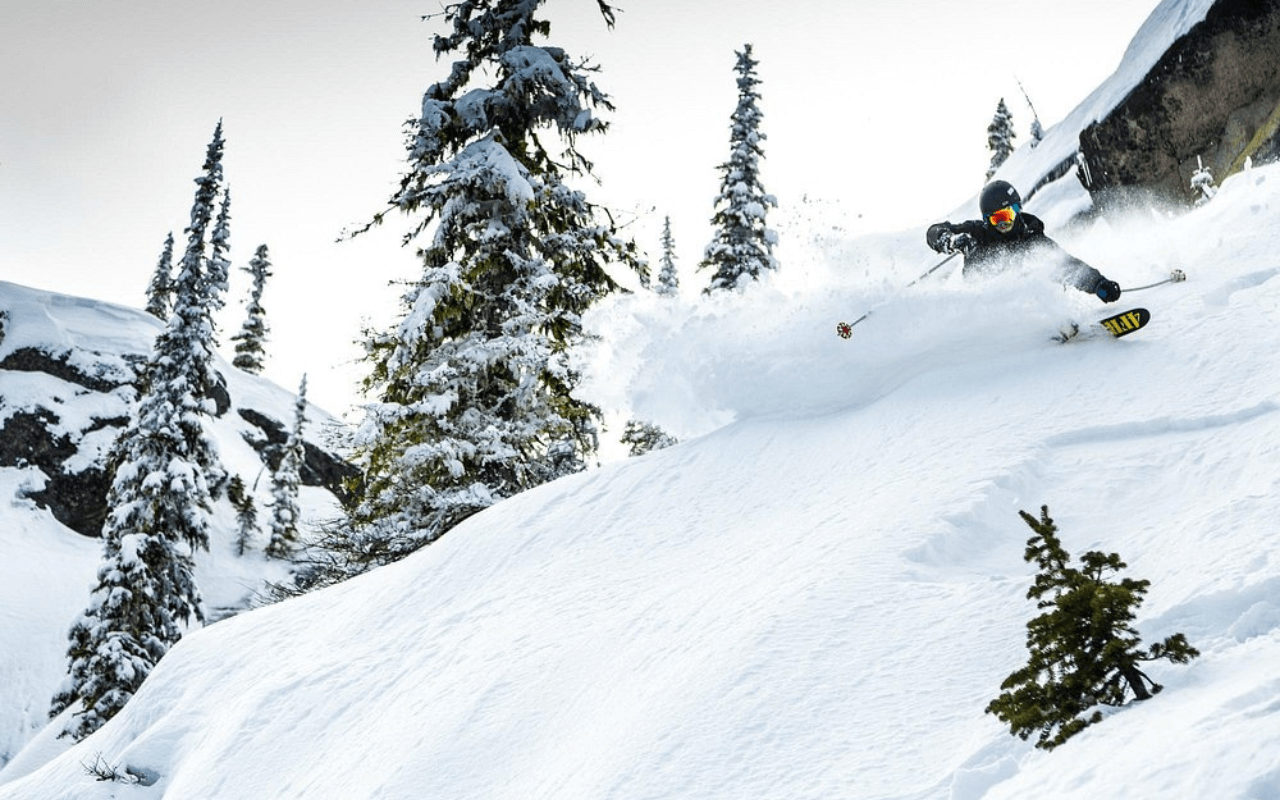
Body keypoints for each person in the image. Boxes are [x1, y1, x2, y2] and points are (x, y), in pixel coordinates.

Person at [926, 180, 1121, 303]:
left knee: (1043, 270)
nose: (1003, 223)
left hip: (1021, 302)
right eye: (996, 219)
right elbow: (934, 231)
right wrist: (950, 240)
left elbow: (1067, 265)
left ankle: (1055, 324)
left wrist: (1098, 284)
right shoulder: (977, 233)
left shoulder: (1032, 238)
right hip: (981, 303)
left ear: (1018, 209)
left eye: (1007, 215)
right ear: (987, 221)